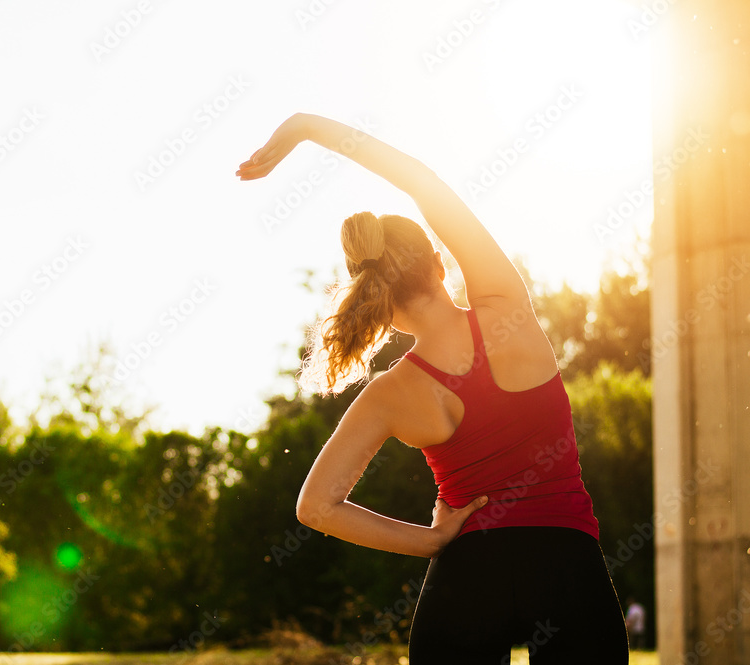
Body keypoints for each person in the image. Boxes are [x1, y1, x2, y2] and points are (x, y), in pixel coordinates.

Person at [236, 113, 629, 663]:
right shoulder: (505, 306)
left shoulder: (389, 394)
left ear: (379, 302)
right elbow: (422, 181)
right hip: (567, 567)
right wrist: (306, 129)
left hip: (468, 578)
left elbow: (316, 508)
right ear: (439, 263)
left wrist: (430, 540)